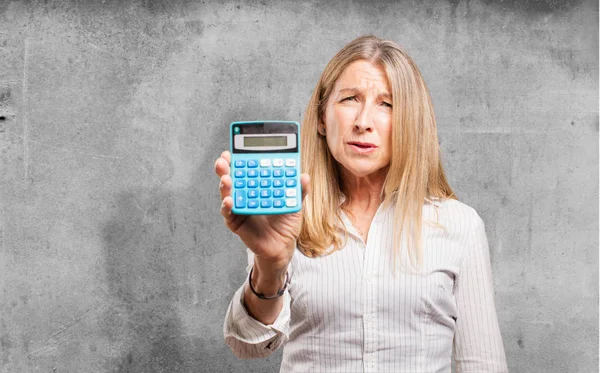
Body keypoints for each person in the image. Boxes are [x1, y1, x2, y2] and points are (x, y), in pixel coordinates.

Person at [215, 35, 508, 373]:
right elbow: (246, 344)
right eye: (350, 98)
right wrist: (270, 264)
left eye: (388, 103)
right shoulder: (285, 217)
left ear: (410, 122)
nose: (364, 121)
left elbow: (484, 366)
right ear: (323, 118)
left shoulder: (460, 225)